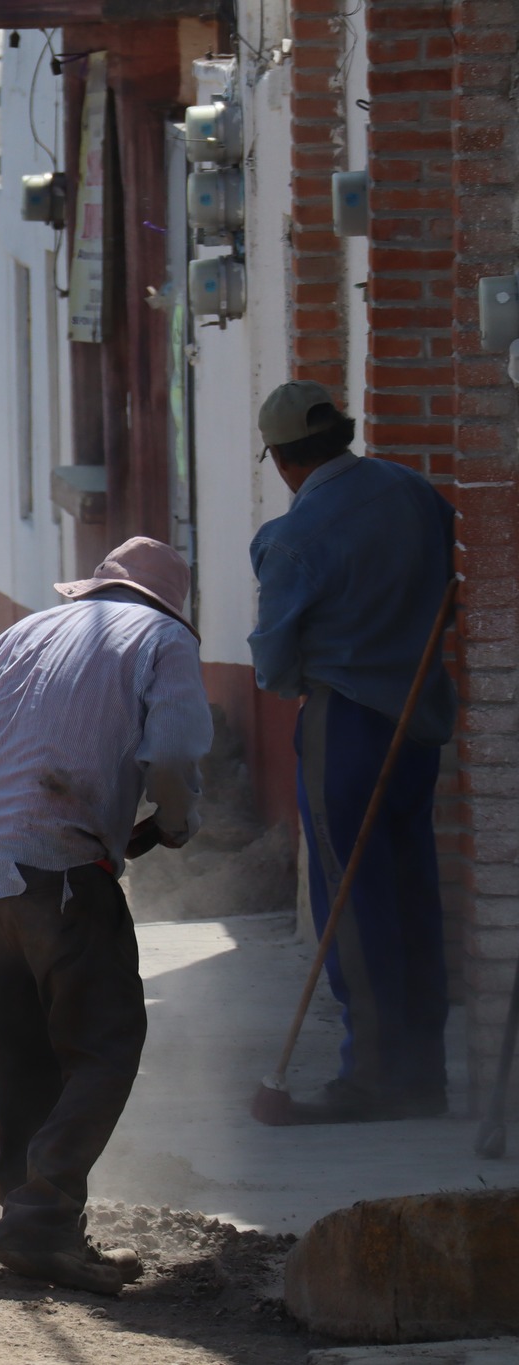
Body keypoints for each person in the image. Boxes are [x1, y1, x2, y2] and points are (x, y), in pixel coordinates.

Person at [0, 536, 212, 1295]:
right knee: (105, 1042)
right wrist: (177, 819)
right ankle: (41, 1216)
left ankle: (38, 1220)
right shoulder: (164, 638)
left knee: (24, 1052)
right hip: (60, 864)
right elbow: (176, 750)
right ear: (167, 601)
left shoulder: (18, 635)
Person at [249, 380, 456, 1123]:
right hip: (417, 719)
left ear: (280, 461)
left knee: (353, 902)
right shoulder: (417, 493)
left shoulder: (292, 537)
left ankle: (372, 1076)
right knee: (410, 888)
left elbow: (272, 666)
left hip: (347, 725)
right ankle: (422, 1070)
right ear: (342, 432)